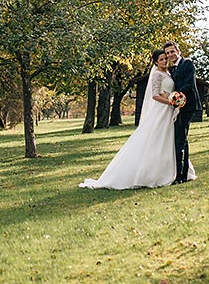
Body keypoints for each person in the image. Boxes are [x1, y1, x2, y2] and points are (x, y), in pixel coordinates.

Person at [79, 49, 195, 189]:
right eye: (162, 59)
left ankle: (176, 171)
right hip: (162, 111)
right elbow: (155, 95)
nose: (165, 61)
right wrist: (170, 101)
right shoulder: (157, 74)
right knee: (157, 141)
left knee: (172, 141)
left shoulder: (169, 72)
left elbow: (167, 91)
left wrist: (172, 98)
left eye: (166, 58)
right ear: (156, 62)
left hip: (171, 111)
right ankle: (150, 174)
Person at [164, 41, 201, 184]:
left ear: (178, 51)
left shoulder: (187, 63)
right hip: (176, 106)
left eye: (172, 51)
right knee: (181, 139)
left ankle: (180, 176)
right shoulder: (171, 69)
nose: (170, 55)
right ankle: (182, 173)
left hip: (187, 106)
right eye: (167, 53)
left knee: (180, 138)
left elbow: (189, 84)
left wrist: (176, 96)